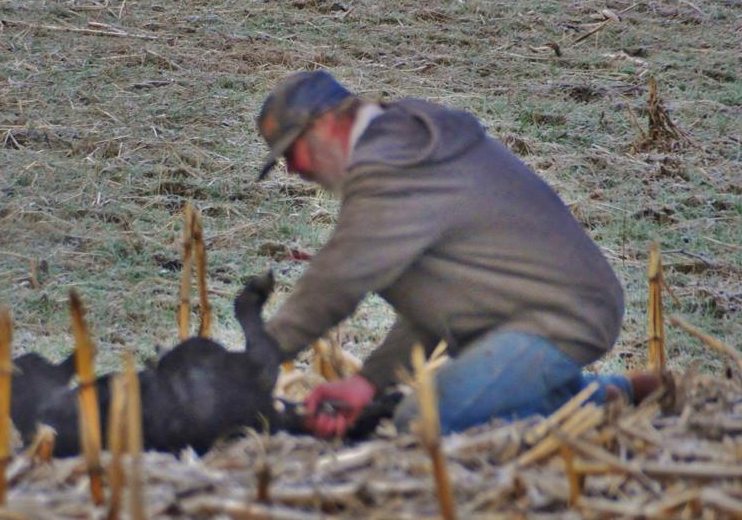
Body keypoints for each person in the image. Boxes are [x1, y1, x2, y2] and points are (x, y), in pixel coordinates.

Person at [255, 70, 661, 438]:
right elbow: (434, 310)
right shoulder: (401, 153)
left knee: (423, 422)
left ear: (324, 123)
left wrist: (259, 358)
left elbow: (338, 277)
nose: (293, 169)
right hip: (519, 318)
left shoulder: (394, 164)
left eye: (291, 152)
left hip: (560, 318)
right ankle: (615, 395)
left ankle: (593, 406)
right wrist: (368, 383)